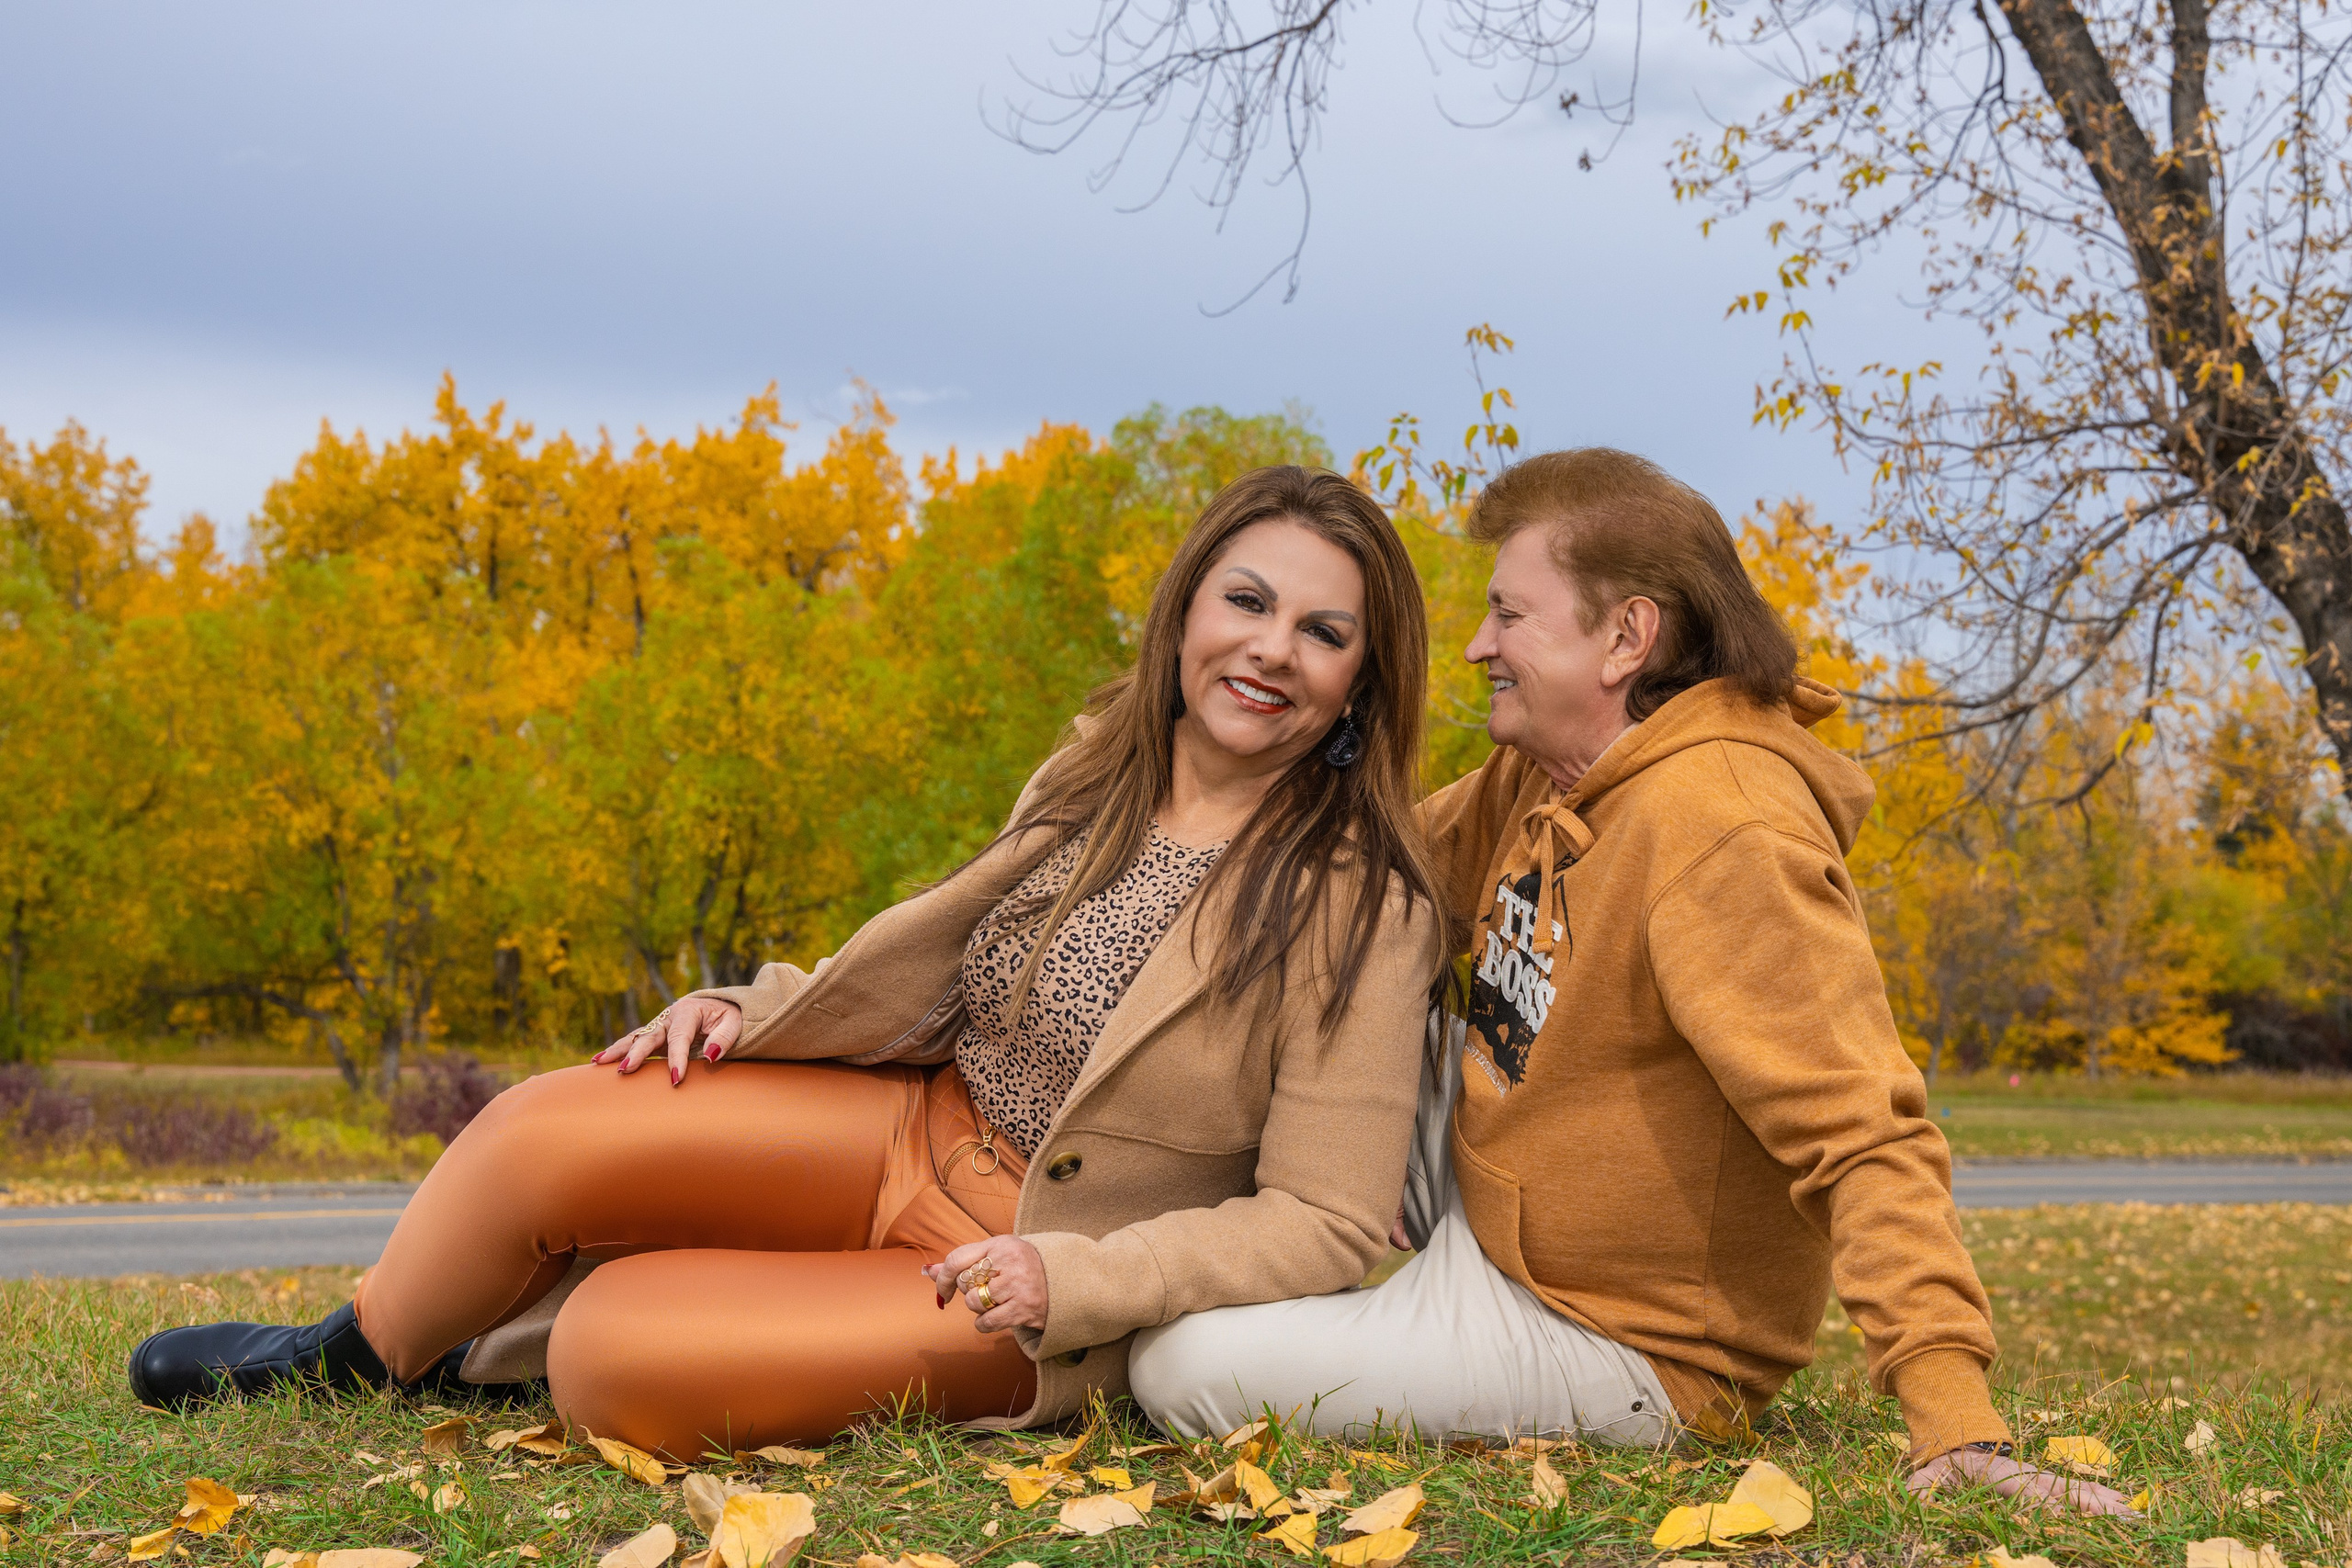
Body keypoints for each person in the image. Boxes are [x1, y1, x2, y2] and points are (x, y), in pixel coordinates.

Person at [128, 465, 1445, 1460]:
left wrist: (1083, 1280)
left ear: (1361, 688)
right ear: (1189, 608)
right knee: (541, 1131)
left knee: (614, 1356)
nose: (1272, 649)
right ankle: (349, 1360)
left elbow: (1327, 1221)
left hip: (1020, 1272)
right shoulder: (1100, 759)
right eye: (1250, 600)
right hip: (903, 1127)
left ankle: (531, 1334)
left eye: (1325, 633)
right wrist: (749, 1009)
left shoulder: (1362, 903)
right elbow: (944, 967)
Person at [1129, 448, 2136, 1517]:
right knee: (1337, 939)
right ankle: (1142, 1211)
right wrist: (1197, 785)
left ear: (1625, 637)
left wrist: (1953, 1419)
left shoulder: (1724, 832)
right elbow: (1375, 883)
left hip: (1618, 1337)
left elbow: (1862, 1133)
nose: (1478, 647)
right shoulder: (1552, 766)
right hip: (1494, 1206)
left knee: (1175, 1366)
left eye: (1509, 617)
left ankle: (1279, 1297)